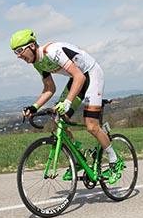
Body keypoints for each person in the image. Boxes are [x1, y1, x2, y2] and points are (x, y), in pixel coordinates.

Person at [9, 29, 122, 178]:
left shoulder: (52, 52)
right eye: (15, 53)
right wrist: (34, 107)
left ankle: (115, 160)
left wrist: (68, 102)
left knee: (91, 125)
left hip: (91, 74)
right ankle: (77, 159)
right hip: (77, 79)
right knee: (58, 117)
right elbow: (50, 88)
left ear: (31, 46)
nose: (18, 56)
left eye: (19, 51)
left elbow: (80, 77)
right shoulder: (38, 64)